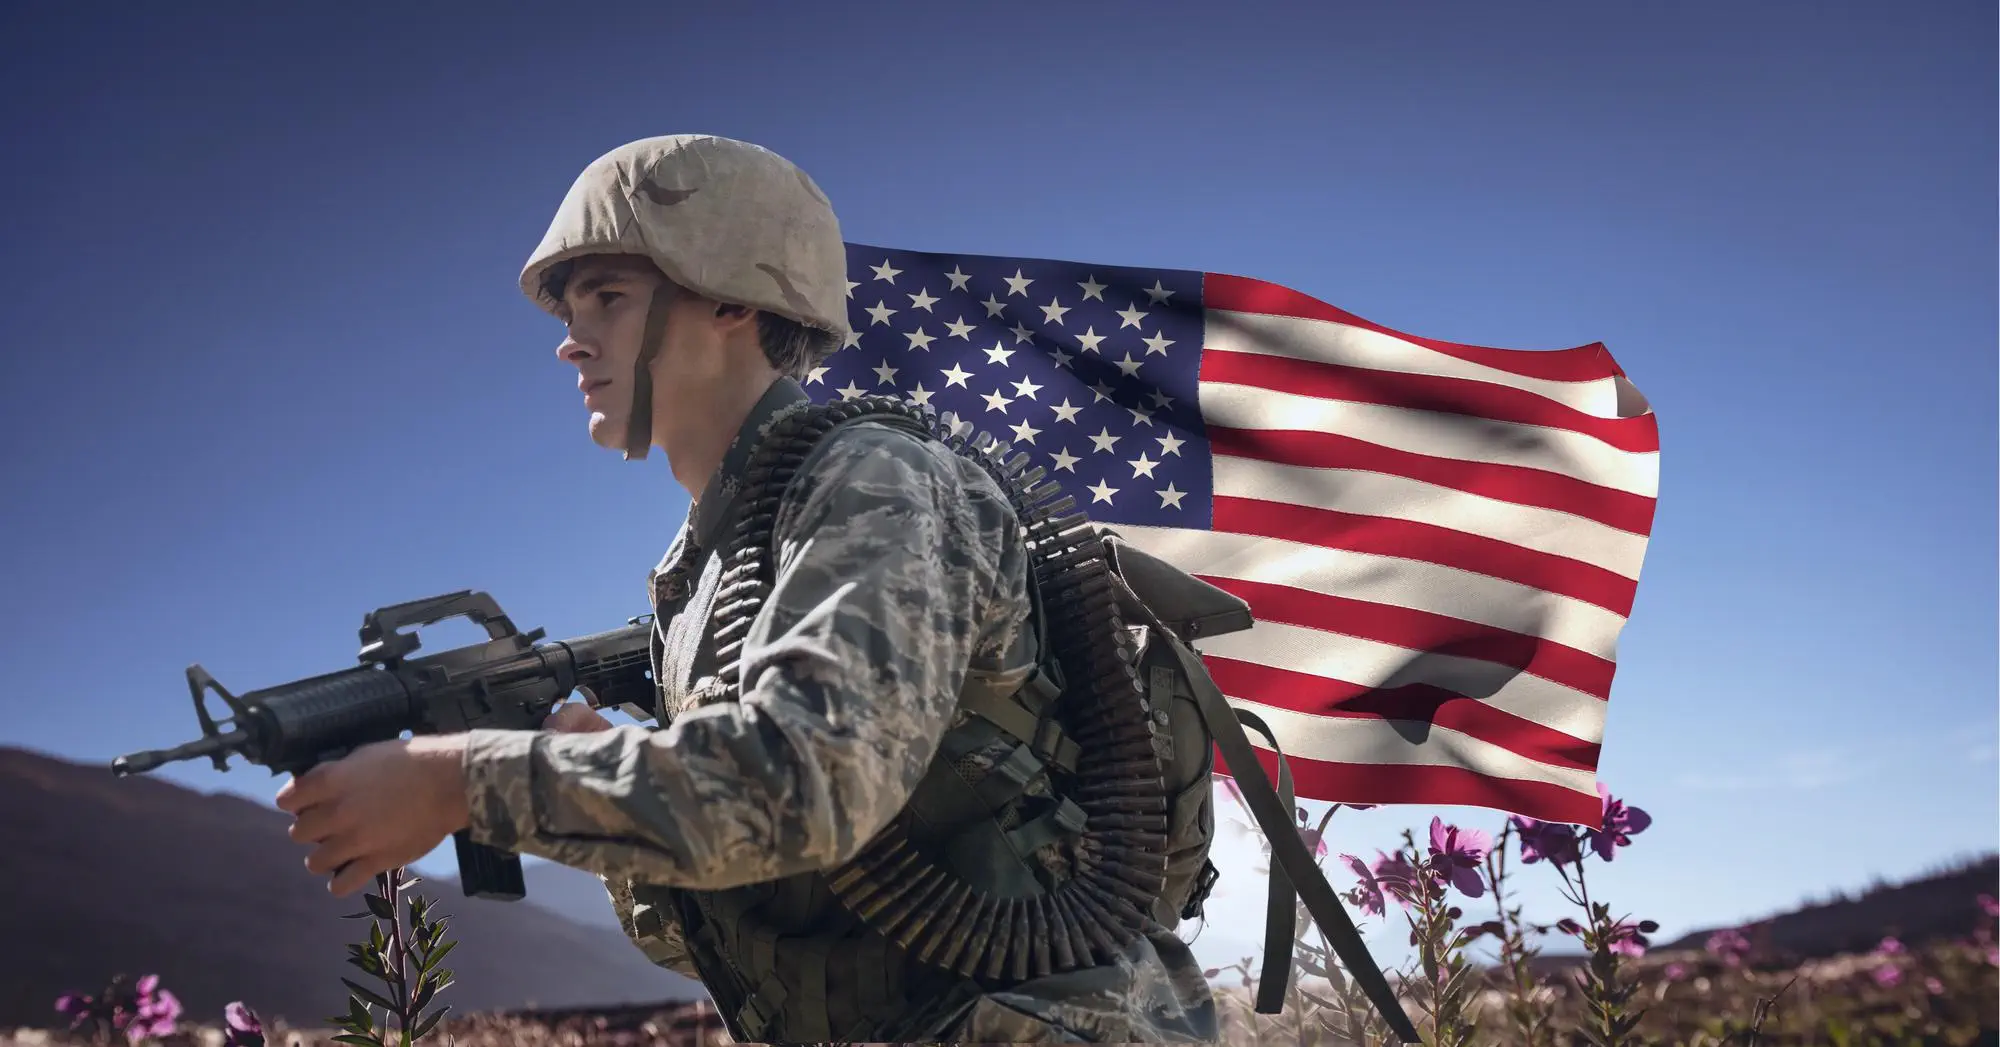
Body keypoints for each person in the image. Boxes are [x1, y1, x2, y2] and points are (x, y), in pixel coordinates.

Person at [273, 134, 1220, 1044]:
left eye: (607, 296)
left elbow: (813, 785)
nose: (572, 342)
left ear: (730, 299)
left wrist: (462, 781)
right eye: (570, 313)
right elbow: (759, 932)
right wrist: (595, 774)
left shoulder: (873, 477)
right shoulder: (706, 575)